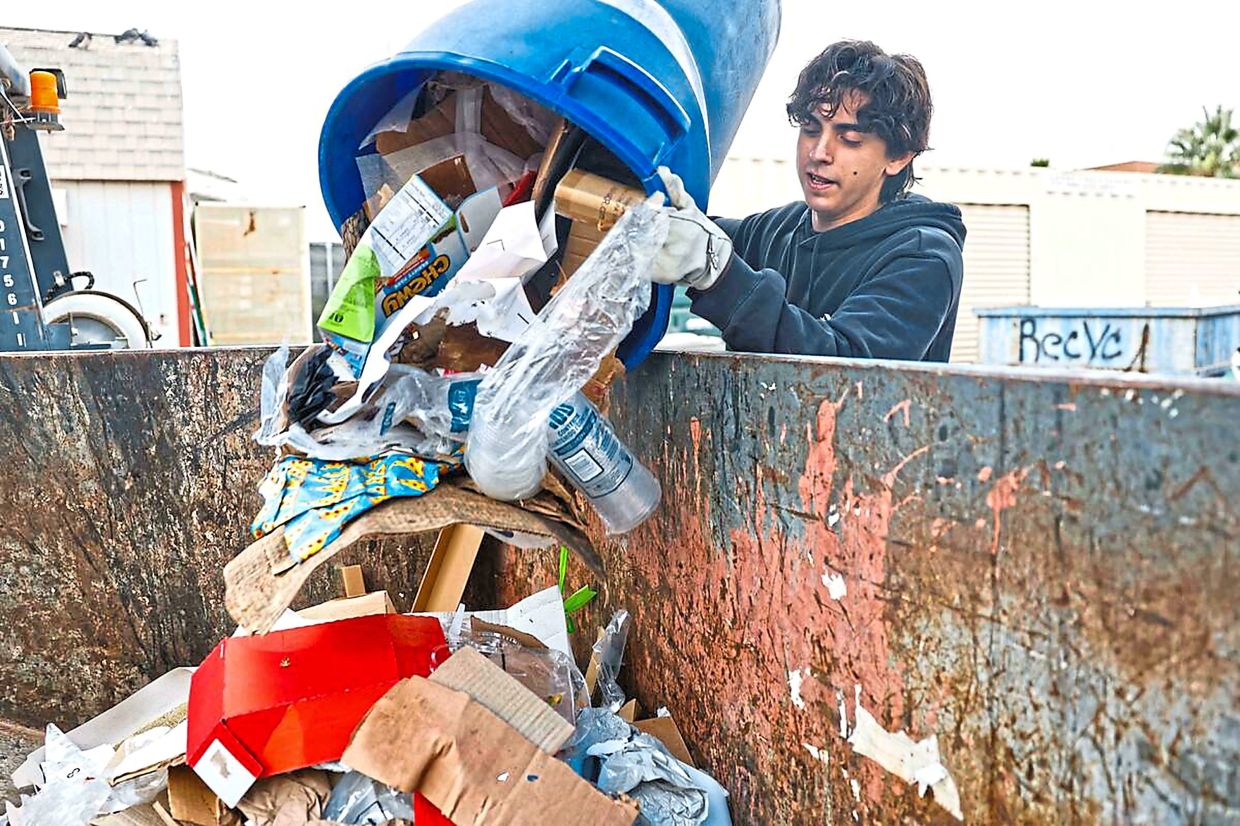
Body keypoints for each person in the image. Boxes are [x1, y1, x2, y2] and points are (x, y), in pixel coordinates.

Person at [652, 40, 966, 361]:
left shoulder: (922, 258)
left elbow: (842, 366)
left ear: (899, 156)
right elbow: (699, 236)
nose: (819, 153)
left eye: (849, 139)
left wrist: (718, 273)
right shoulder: (778, 229)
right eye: (811, 129)